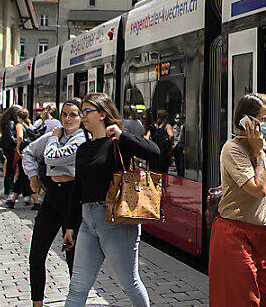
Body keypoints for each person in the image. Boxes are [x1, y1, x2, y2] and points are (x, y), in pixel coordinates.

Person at [62, 92, 161, 307]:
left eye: (86, 112)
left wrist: (122, 135)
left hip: (116, 221)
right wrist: (70, 226)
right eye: (82, 112)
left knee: (130, 283)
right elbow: (77, 188)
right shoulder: (84, 149)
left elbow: (154, 152)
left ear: (102, 114)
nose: (83, 116)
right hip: (88, 222)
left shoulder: (118, 142)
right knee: (77, 286)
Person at [209, 93, 266, 307]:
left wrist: (265, 161)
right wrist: (259, 155)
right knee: (243, 300)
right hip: (236, 234)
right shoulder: (233, 150)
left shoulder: (258, 150)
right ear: (246, 121)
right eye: (265, 118)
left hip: (264, 233)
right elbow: (258, 190)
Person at [22, 99, 88, 307]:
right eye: (64, 114)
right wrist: (33, 175)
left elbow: (53, 158)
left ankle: (75, 303)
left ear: (81, 117)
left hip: (73, 199)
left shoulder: (82, 139)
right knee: (36, 254)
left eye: (73, 115)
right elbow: (28, 152)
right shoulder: (54, 135)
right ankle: (37, 303)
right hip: (52, 196)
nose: (68, 119)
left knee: (72, 258)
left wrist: (54, 138)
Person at [146, 110, 174, 174]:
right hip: (163, 153)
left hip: (153, 152)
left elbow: (147, 137)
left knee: (152, 172)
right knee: (163, 172)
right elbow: (171, 136)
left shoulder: (153, 126)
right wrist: (170, 146)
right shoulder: (167, 126)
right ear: (166, 117)